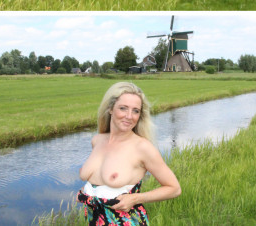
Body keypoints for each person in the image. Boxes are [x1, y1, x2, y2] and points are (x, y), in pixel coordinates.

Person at [77, 82, 181, 225]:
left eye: (135, 111)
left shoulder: (142, 148)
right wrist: (88, 191)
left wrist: (135, 198)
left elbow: (174, 188)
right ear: (110, 109)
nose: (129, 116)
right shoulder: (97, 140)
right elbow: (99, 179)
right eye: (123, 108)